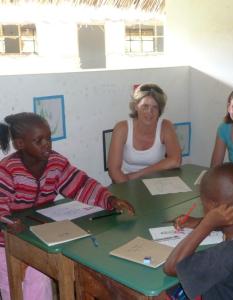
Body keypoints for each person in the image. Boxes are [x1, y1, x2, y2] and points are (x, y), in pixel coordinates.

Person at [0, 112, 134, 300]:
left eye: (49, 138)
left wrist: (109, 200)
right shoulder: (7, 170)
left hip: (41, 233)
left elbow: (81, 184)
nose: (47, 144)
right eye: (39, 140)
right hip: (7, 238)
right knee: (11, 285)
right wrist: (8, 223)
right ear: (20, 144)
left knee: (39, 277)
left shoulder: (56, 163)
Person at [164, 163, 233, 299]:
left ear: (216, 208)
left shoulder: (230, 252)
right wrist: (199, 222)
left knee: (160, 294)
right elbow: (227, 221)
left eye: (203, 204)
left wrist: (206, 224)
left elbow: (172, 267)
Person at [108, 83, 182, 183]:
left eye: (154, 107)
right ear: (136, 106)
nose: (149, 112)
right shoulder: (122, 128)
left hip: (156, 183)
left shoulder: (166, 126)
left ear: (160, 110)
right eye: (145, 106)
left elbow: (175, 161)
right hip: (125, 182)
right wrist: (128, 186)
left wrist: (137, 175)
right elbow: (114, 171)